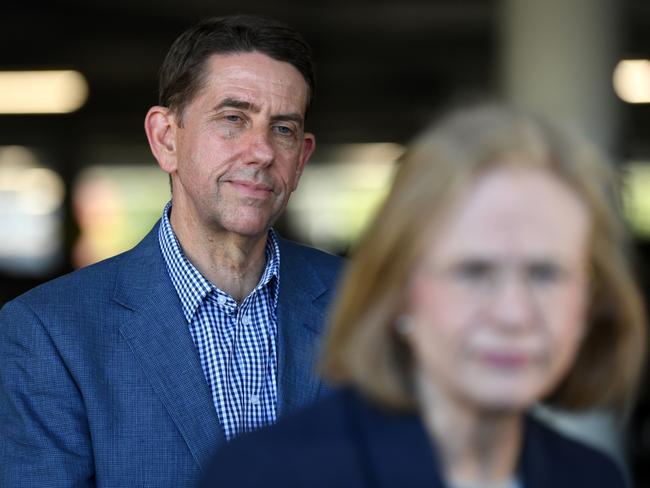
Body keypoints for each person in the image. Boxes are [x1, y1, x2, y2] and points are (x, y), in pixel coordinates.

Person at [200, 104, 646, 488]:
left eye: (546, 273)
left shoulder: (591, 477)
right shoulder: (269, 476)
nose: (515, 313)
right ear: (400, 292)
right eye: (474, 272)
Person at [0, 14, 343, 487]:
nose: (262, 151)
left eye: (282, 129)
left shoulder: (366, 305)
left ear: (301, 158)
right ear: (166, 139)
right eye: (233, 119)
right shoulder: (50, 334)